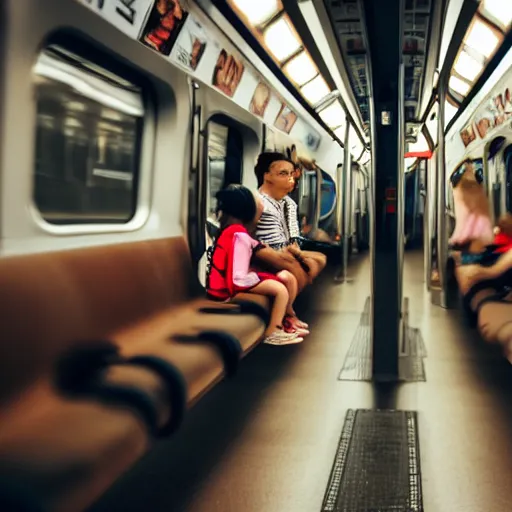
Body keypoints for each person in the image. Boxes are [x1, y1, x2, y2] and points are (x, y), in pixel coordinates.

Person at [206, 184, 309, 346]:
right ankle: (273, 331)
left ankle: (289, 319)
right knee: (280, 290)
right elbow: (237, 277)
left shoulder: (232, 231)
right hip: (225, 290)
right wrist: (261, 278)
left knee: (286, 278)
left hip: (226, 283)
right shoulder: (239, 235)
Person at [254, 152, 327, 282]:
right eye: (283, 174)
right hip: (269, 251)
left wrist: (296, 251)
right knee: (300, 266)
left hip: (287, 248)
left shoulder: (289, 203)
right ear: (267, 176)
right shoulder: (258, 203)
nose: (290, 178)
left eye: (291, 174)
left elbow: (292, 237)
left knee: (320, 258)